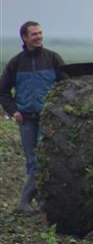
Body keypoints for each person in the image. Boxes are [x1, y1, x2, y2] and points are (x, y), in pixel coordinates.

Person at [0, 21, 65, 213]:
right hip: (26, 120)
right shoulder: (16, 63)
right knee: (32, 161)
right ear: (25, 37)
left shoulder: (53, 59)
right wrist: (13, 110)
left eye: (40, 33)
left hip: (48, 119)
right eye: (34, 34)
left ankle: (25, 202)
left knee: (42, 160)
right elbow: (3, 91)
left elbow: (67, 86)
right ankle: (39, 203)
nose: (39, 37)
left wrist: (58, 110)